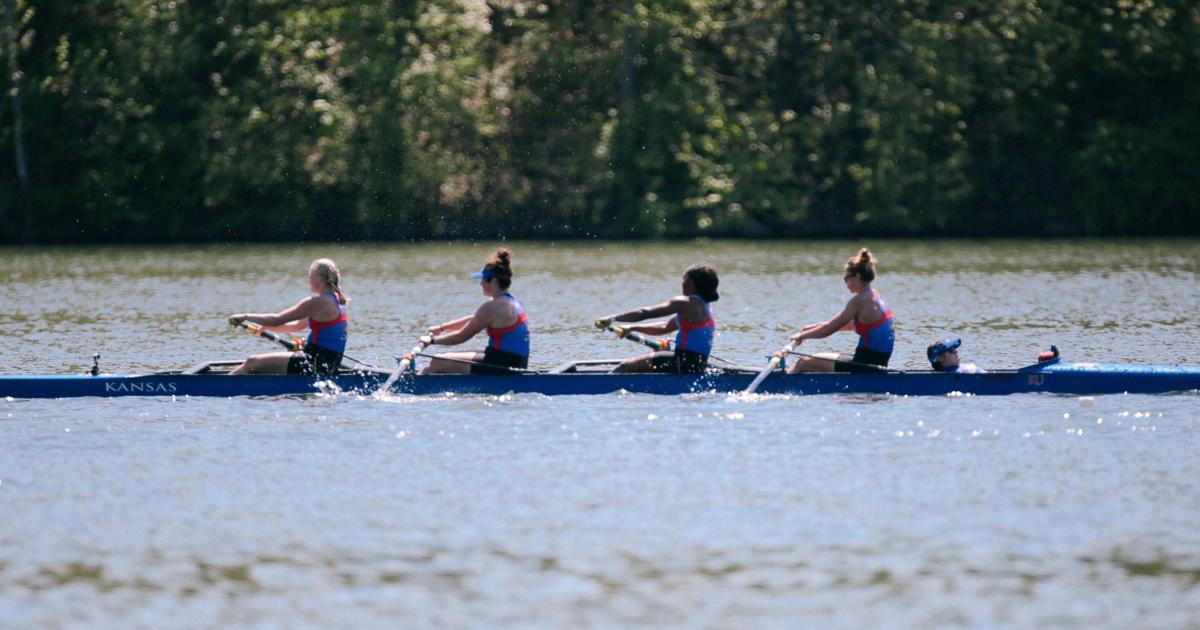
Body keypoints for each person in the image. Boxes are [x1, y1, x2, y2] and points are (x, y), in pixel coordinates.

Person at [228, 258, 349, 375]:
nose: (308, 279)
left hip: (313, 363)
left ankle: (222, 387)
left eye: (310, 276)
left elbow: (277, 319)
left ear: (321, 279)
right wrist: (265, 327)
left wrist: (245, 316)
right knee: (255, 366)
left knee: (251, 362)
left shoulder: (316, 303)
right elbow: (297, 326)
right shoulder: (337, 300)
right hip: (328, 363)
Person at [421, 248, 530, 374]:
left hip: (503, 365)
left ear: (494, 282)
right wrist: (441, 328)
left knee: (437, 360)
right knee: (445, 356)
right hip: (512, 361)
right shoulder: (509, 301)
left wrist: (432, 341)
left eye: (483, 280)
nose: (480, 284)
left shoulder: (493, 306)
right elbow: (474, 319)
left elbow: (462, 336)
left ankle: (417, 387)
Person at [595, 264, 720, 374]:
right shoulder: (705, 307)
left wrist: (612, 318)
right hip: (697, 365)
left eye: (684, 280)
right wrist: (632, 328)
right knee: (642, 366)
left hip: (680, 362)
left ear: (691, 283)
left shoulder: (684, 303)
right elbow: (664, 327)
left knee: (623, 367)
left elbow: (644, 313)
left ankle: (601, 387)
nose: (682, 283)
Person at [787, 248, 894, 373]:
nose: (846, 283)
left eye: (846, 278)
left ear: (857, 277)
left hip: (865, 366)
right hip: (874, 363)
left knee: (803, 363)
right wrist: (809, 329)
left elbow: (829, 329)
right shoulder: (875, 296)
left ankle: (780, 386)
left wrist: (801, 336)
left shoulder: (859, 301)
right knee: (814, 359)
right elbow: (847, 325)